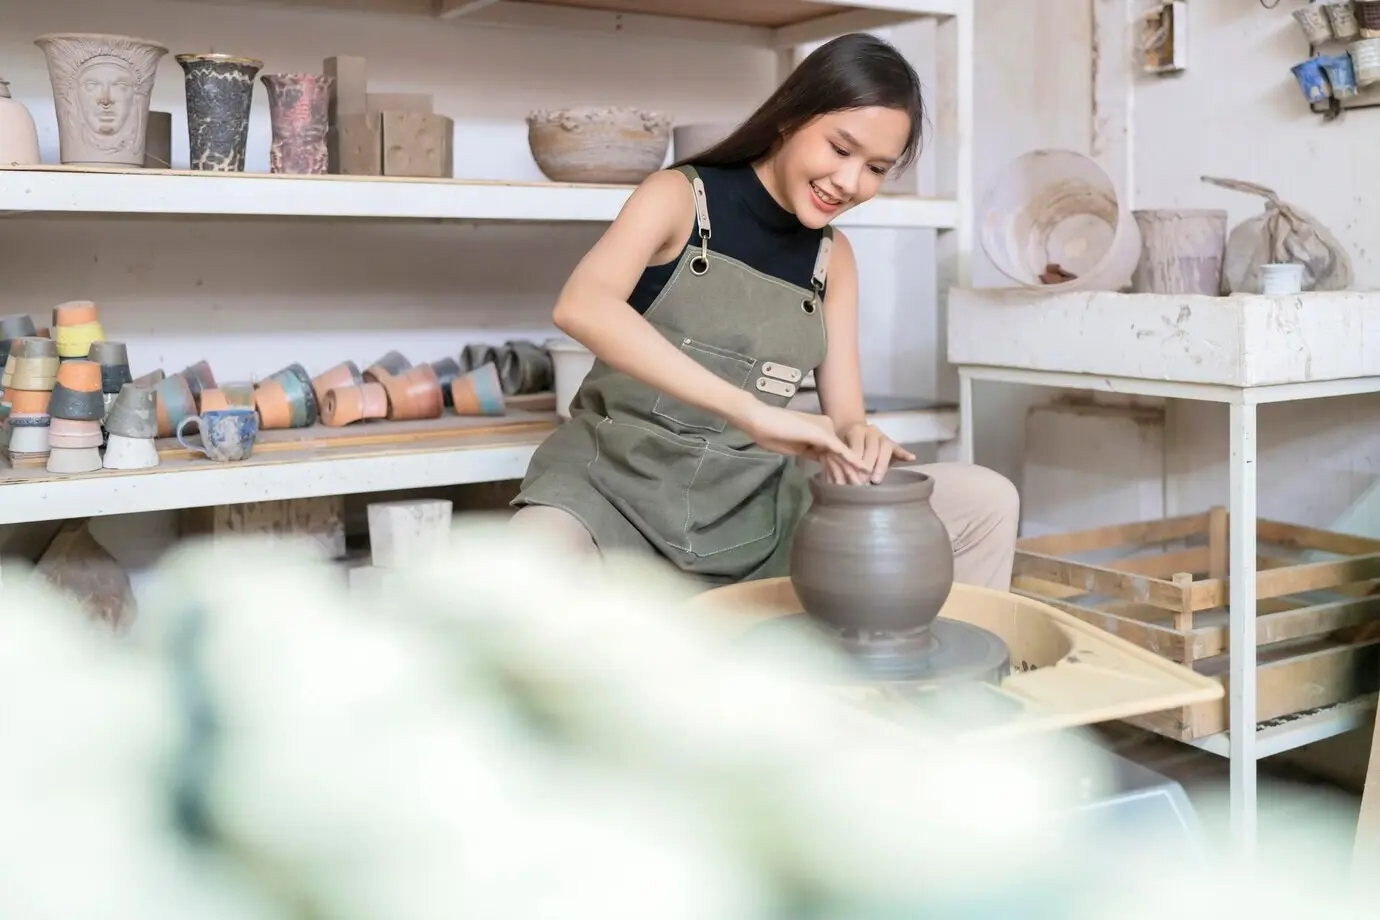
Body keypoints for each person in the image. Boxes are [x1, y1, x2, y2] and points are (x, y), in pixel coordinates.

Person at [510, 32, 1018, 589]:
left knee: (986, 500)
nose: (849, 182)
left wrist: (860, 438)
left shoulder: (834, 259)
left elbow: (847, 417)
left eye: (876, 168)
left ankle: (940, 673)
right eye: (840, 149)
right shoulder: (679, 197)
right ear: (789, 118)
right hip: (609, 493)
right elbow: (582, 305)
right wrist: (750, 411)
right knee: (530, 561)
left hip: (752, 514)